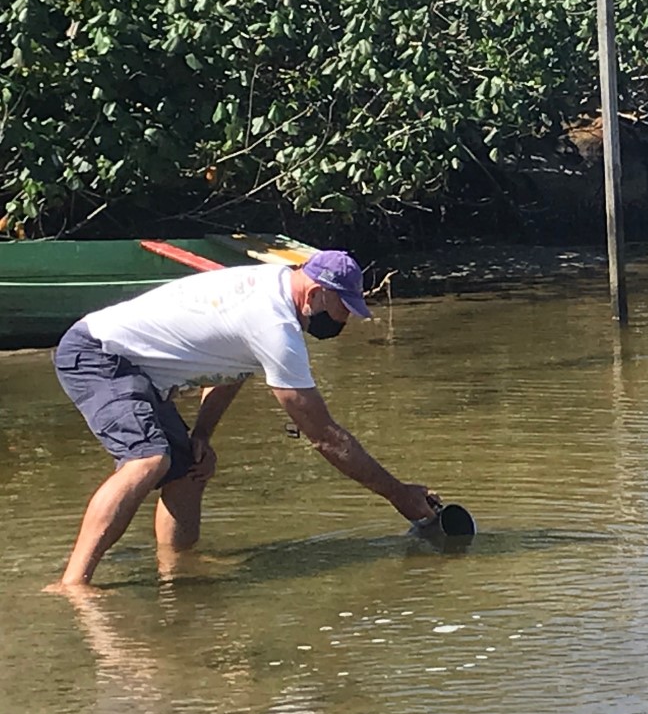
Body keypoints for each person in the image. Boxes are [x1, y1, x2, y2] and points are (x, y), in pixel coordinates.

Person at [46, 250, 440, 591]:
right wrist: (398, 493)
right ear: (317, 295)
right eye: (343, 310)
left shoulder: (274, 284)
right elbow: (325, 437)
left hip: (138, 369)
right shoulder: (274, 326)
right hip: (100, 355)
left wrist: (202, 433)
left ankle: (177, 571)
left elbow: (231, 367)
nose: (344, 322)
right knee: (149, 459)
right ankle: (73, 584)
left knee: (188, 469)